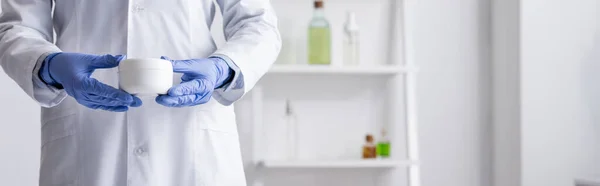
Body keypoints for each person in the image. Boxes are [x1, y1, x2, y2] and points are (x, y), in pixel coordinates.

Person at [0, 0, 280, 185]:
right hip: (90, 138)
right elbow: (17, 26)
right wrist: (49, 65)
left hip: (190, 138)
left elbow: (258, 23)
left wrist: (223, 68)